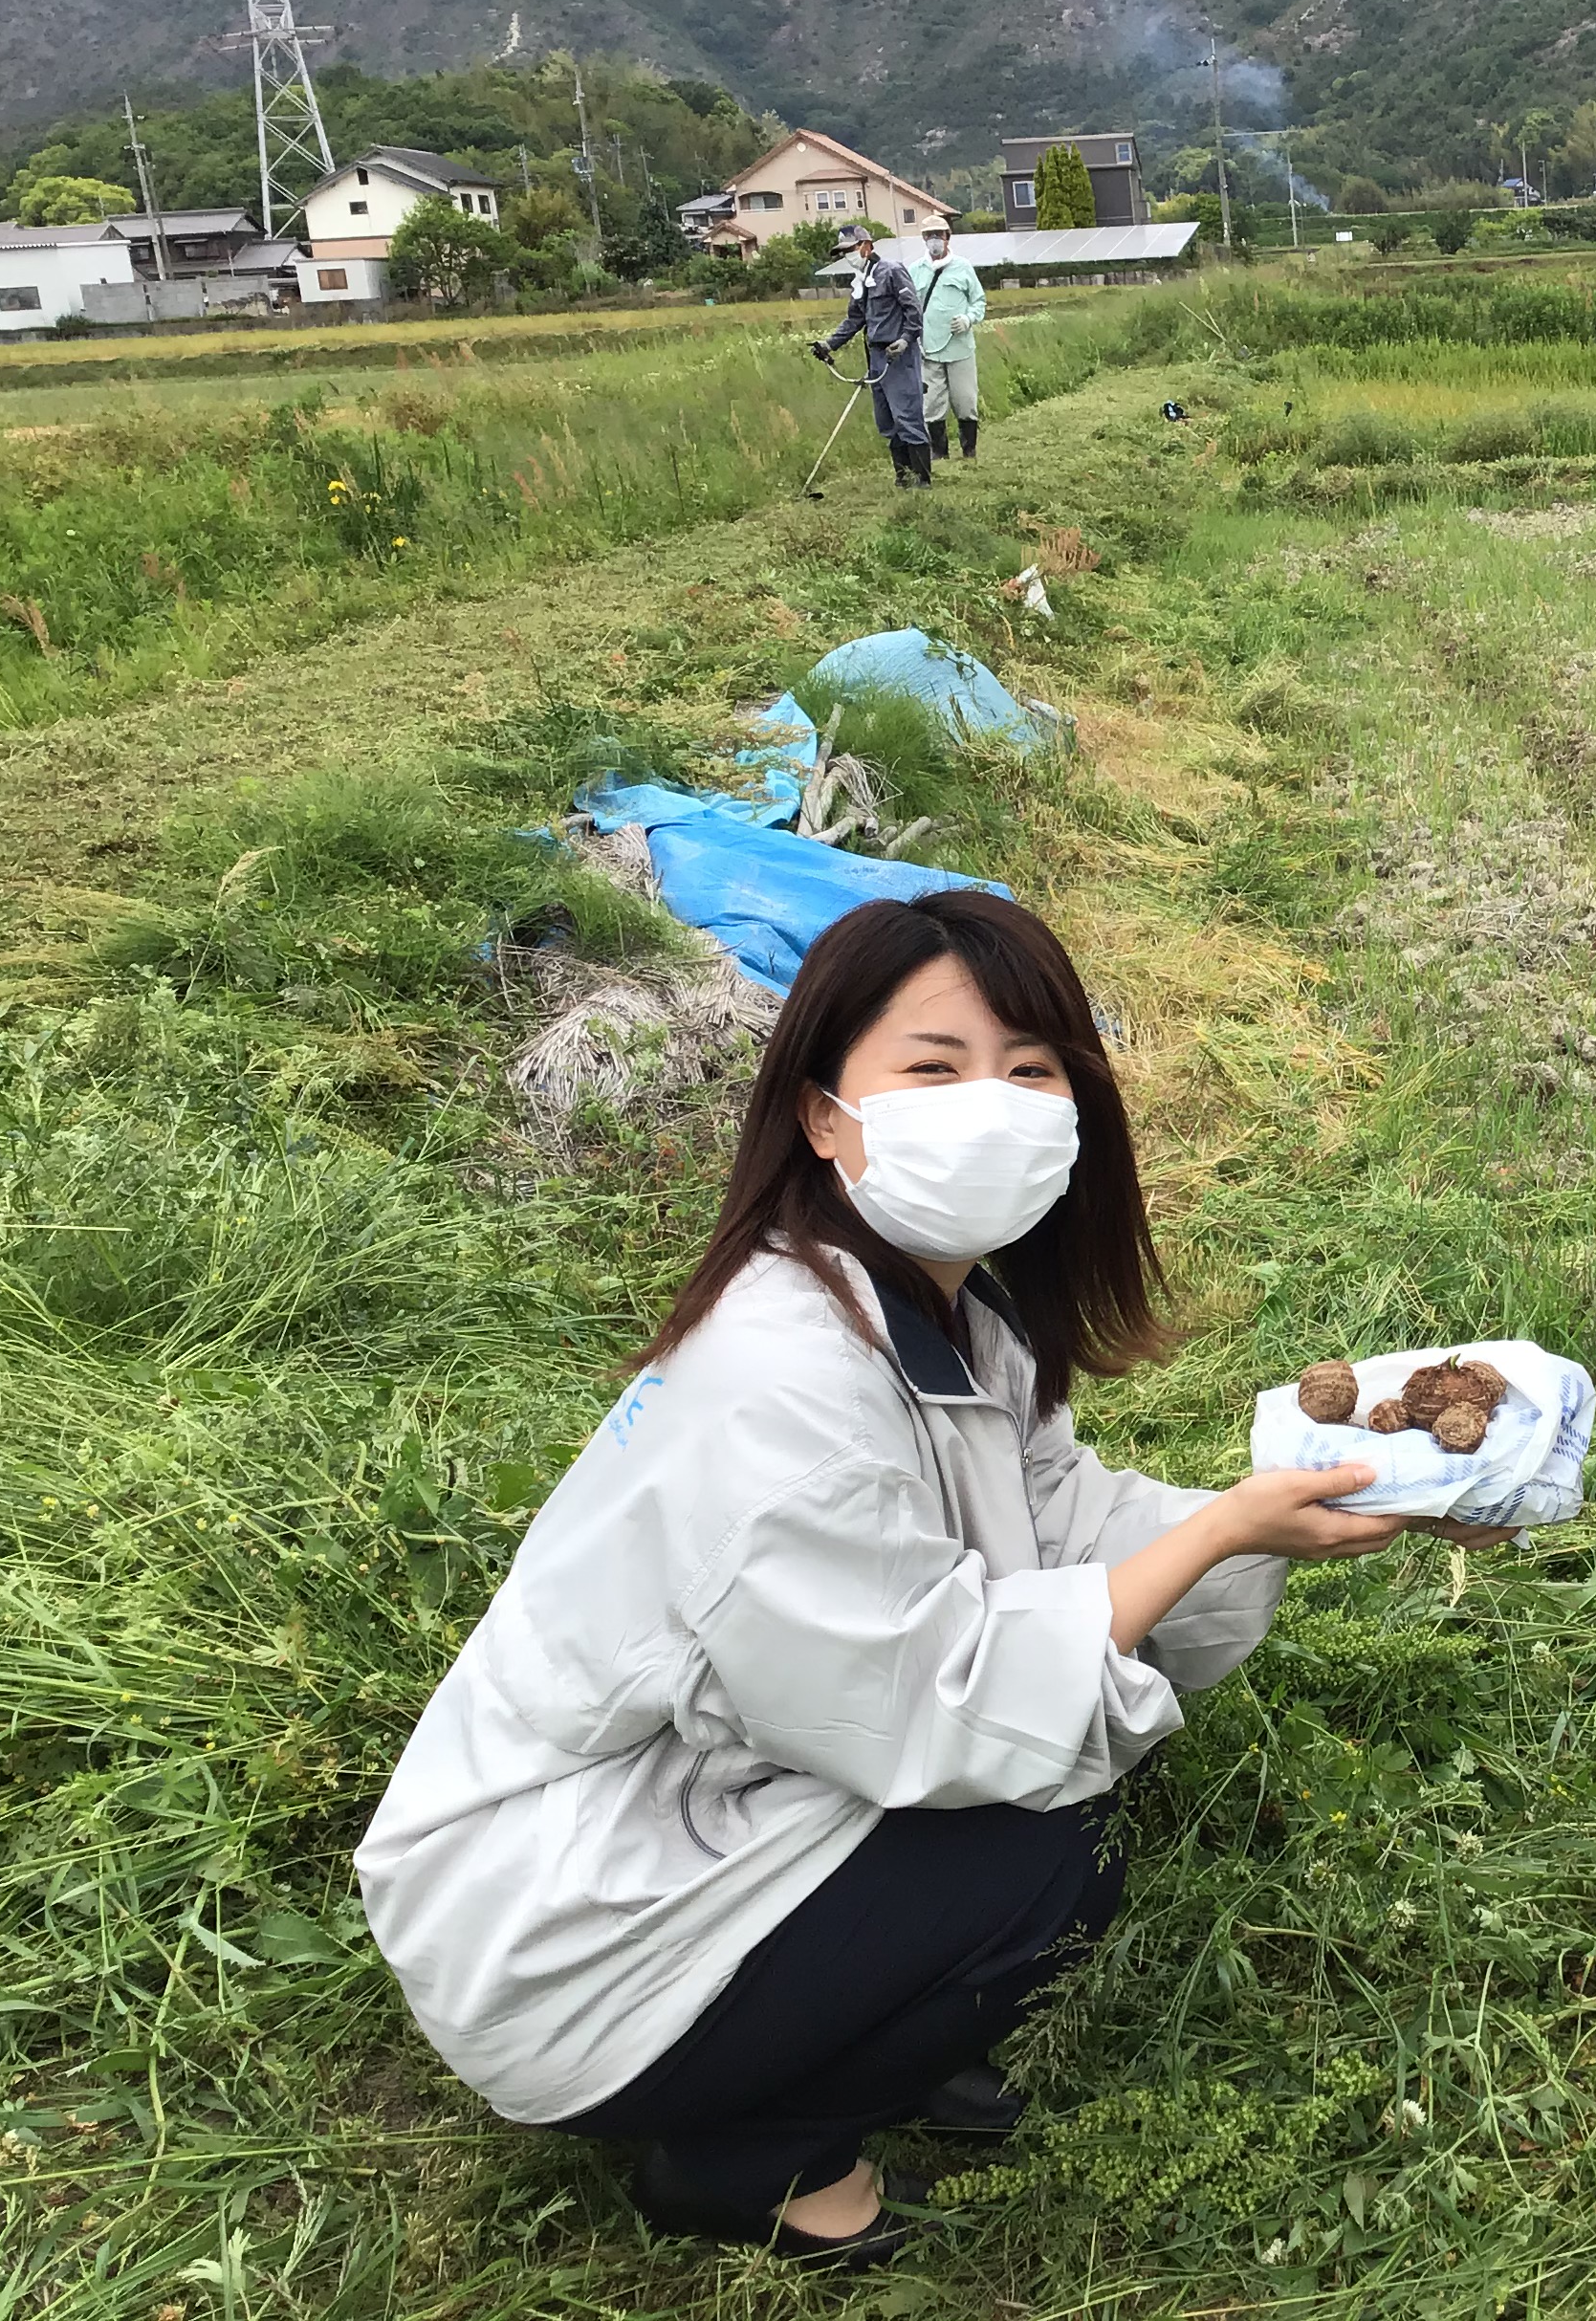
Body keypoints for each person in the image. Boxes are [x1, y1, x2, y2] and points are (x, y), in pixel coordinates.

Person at [358, 890, 1508, 2266]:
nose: (995, 1105)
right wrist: (1217, 1538)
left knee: (1061, 1751)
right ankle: (745, 2157)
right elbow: (933, 1696)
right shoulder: (784, 1378)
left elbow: (1051, 1513)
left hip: (701, 1796)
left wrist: (1329, 1495)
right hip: (560, 1928)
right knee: (1039, 1846)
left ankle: (849, 2034)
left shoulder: (940, 1304)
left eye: (1032, 1070)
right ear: (822, 1112)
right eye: (934, 1066)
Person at [813, 222, 931, 488]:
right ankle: (903, 478)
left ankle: (922, 481)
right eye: (842, 252)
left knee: (908, 417)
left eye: (850, 249)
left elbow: (914, 311)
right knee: (887, 421)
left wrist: (905, 339)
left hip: (899, 355)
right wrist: (829, 344)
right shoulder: (860, 282)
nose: (847, 255)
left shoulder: (891, 271)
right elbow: (854, 320)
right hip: (876, 359)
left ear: (865, 246)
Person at [912, 215, 988, 464]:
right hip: (928, 348)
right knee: (932, 403)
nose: (934, 240)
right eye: (929, 235)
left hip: (960, 347)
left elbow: (979, 301)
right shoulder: (914, 271)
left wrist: (968, 319)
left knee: (965, 399)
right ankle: (939, 454)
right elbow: (908, 307)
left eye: (939, 234)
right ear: (923, 238)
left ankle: (969, 451)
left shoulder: (963, 267)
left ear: (947, 237)